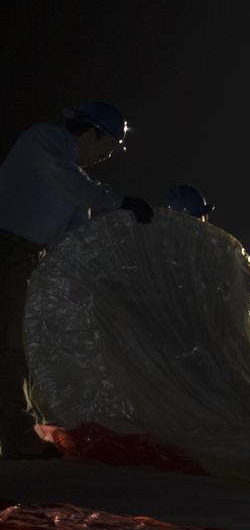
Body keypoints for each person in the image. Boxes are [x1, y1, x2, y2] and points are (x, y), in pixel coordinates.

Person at [0, 102, 154, 458]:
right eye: (108, 146)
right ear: (92, 132)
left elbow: (76, 235)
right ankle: (19, 437)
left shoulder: (74, 180)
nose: (107, 156)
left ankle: (21, 430)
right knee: (8, 347)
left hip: (26, 260)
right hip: (6, 250)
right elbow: (75, 187)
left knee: (19, 345)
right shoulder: (45, 140)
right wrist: (119, 201)